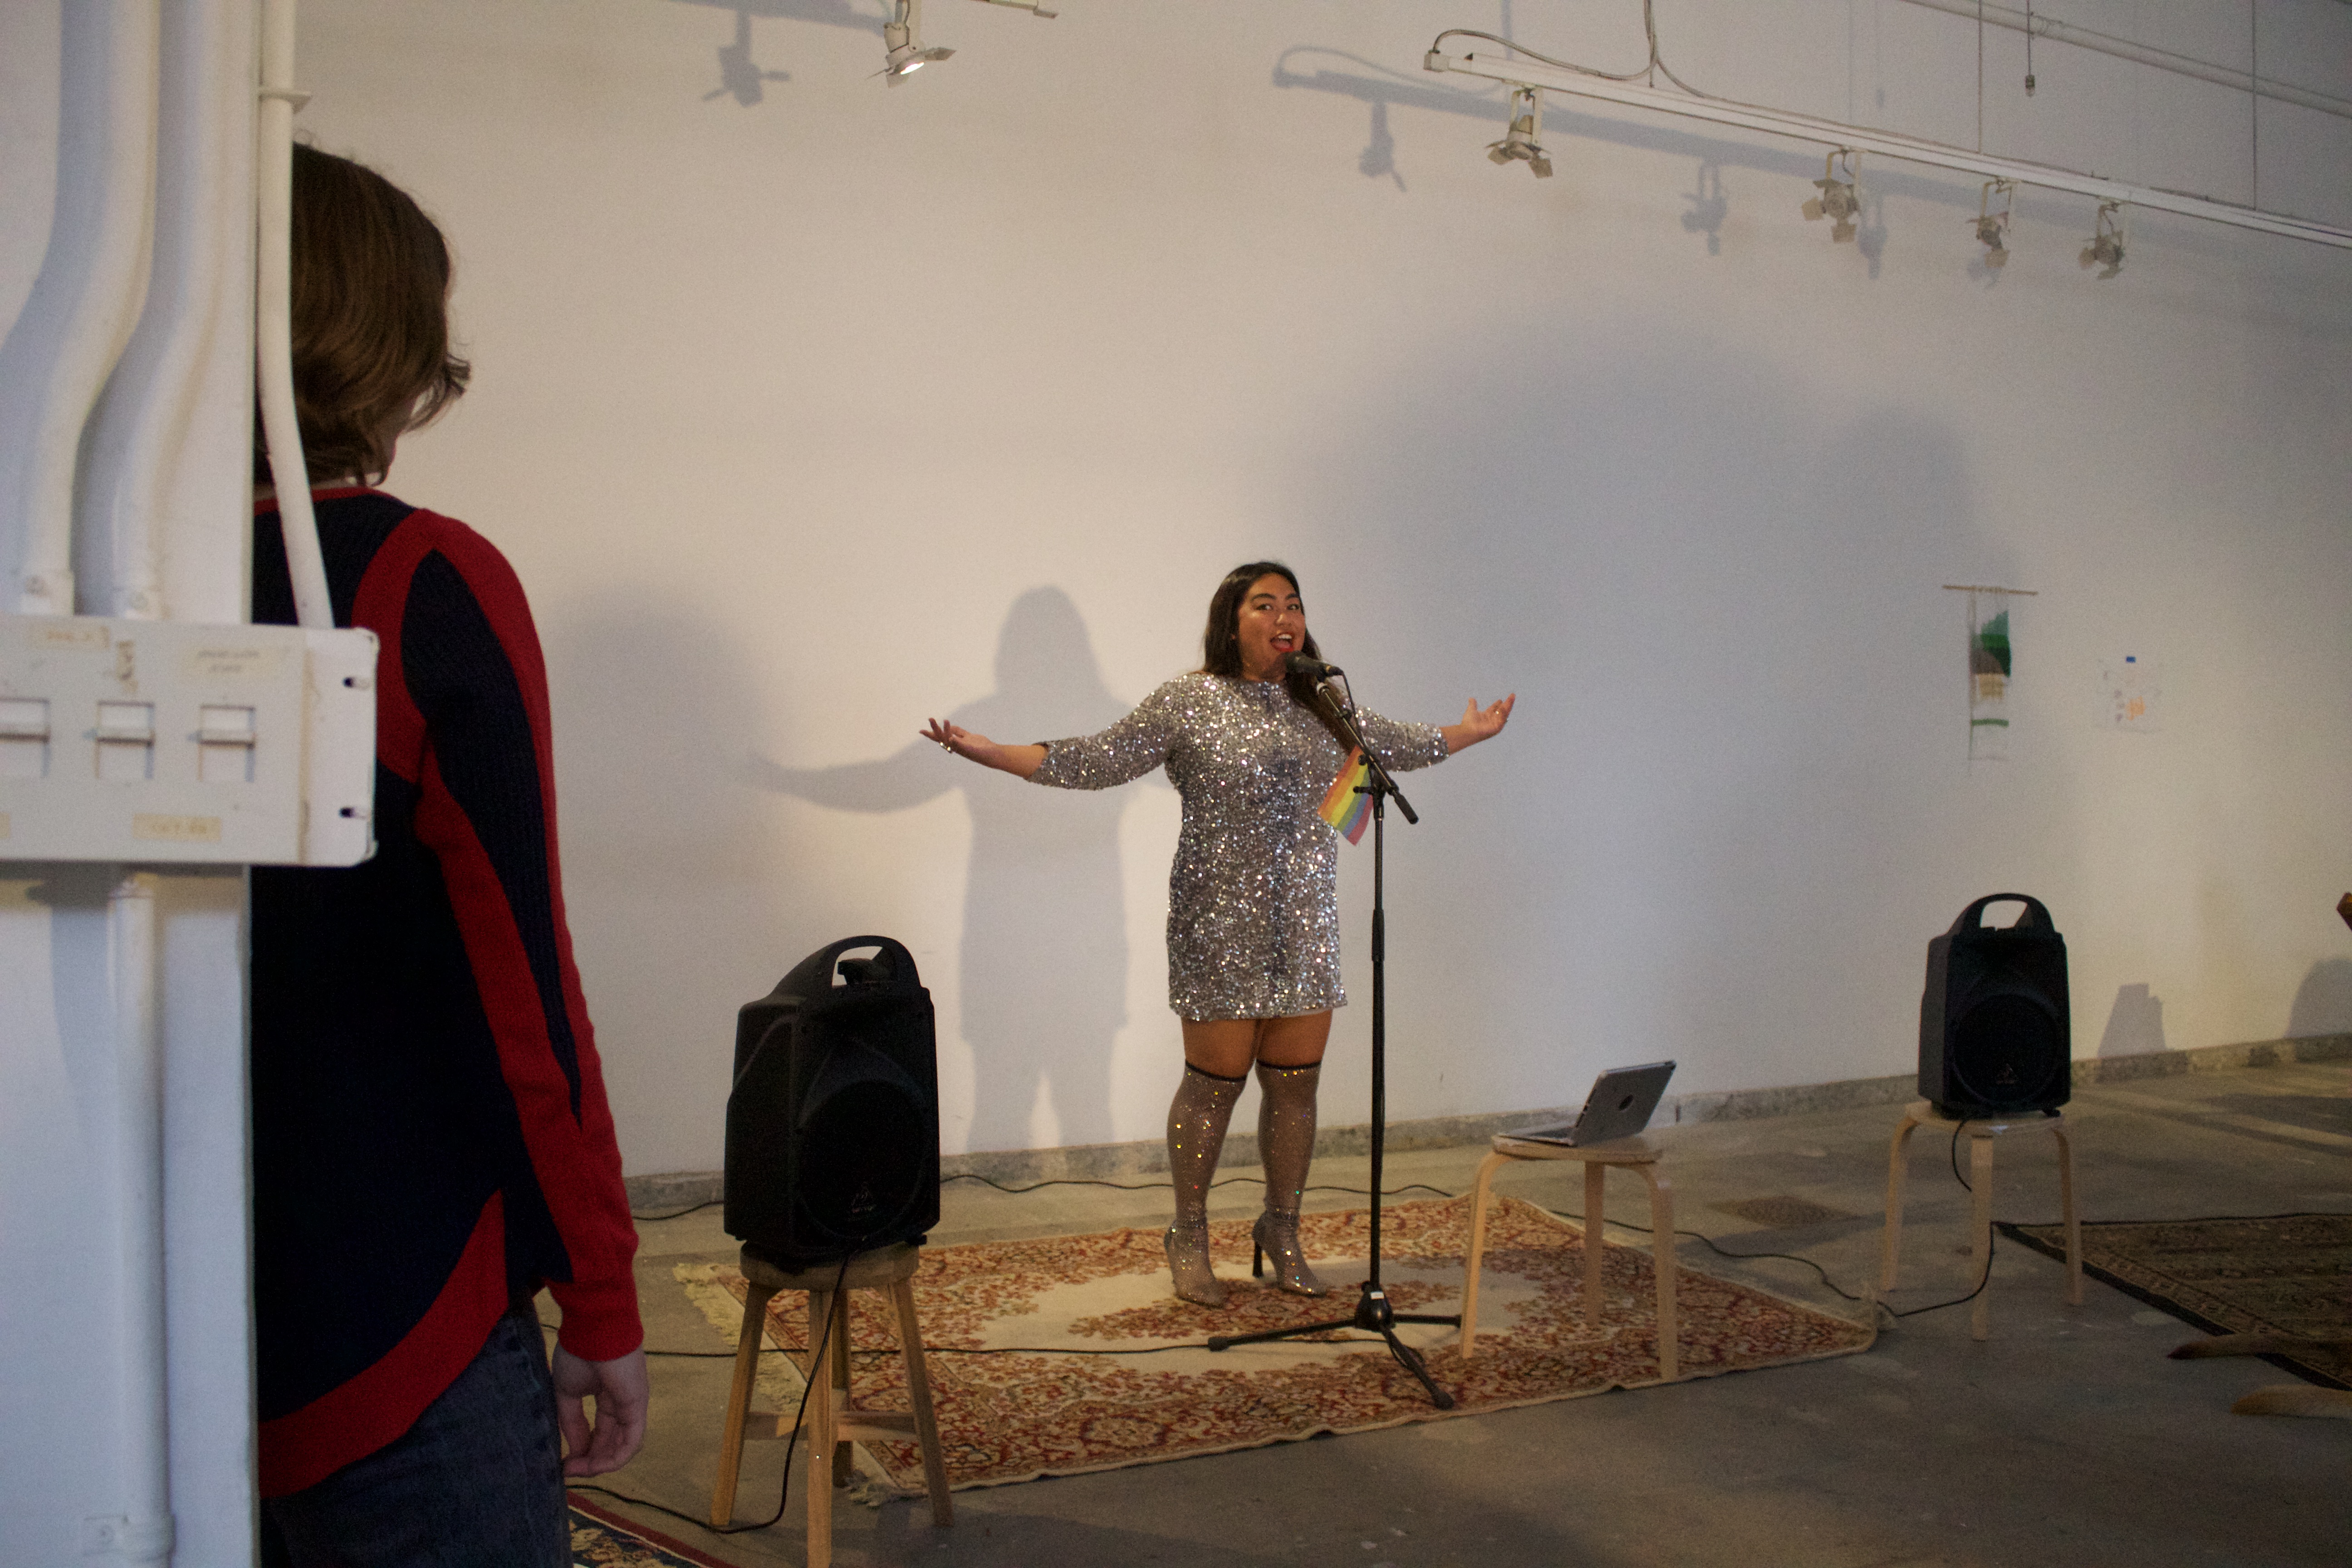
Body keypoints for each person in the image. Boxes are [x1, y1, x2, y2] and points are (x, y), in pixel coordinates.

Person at [247, 144, 646, 1567]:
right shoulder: (419, 578)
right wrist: (602, 1291)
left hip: (151, 1316)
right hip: (397, 1313)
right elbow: (519, 979)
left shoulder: (106, 580)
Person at [924, 563, 1513, 1304]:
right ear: (1231, 622)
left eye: (1293, 604)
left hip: (1305, 924)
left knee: (1296, 1086)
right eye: (1264, 605)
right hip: (1218, 924)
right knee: (1214, 1087)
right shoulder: (1189, 699)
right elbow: (1096, 759)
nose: (1284, 617)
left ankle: (1282, 1228)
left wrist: (1468, 733)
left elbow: (1390, 746)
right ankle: (1190, 1234)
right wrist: (990, 752)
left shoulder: (1323, 702)